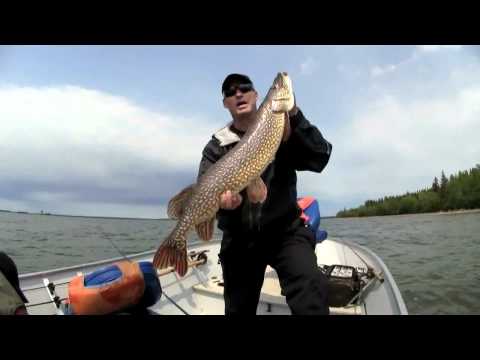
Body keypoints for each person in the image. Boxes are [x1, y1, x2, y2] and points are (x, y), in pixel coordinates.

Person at [197, 73, 333, 315]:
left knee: (311, 287)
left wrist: (295, 114)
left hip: (285, 232)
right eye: (230, 92)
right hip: (240, 239)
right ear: (225, 103)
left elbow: (320, 156)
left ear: (256, 95)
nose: (238, 93)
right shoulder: (216, 147)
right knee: (238, 309)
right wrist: (223, 205)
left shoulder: (283, 126)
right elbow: (205, 193)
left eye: (245, 88)